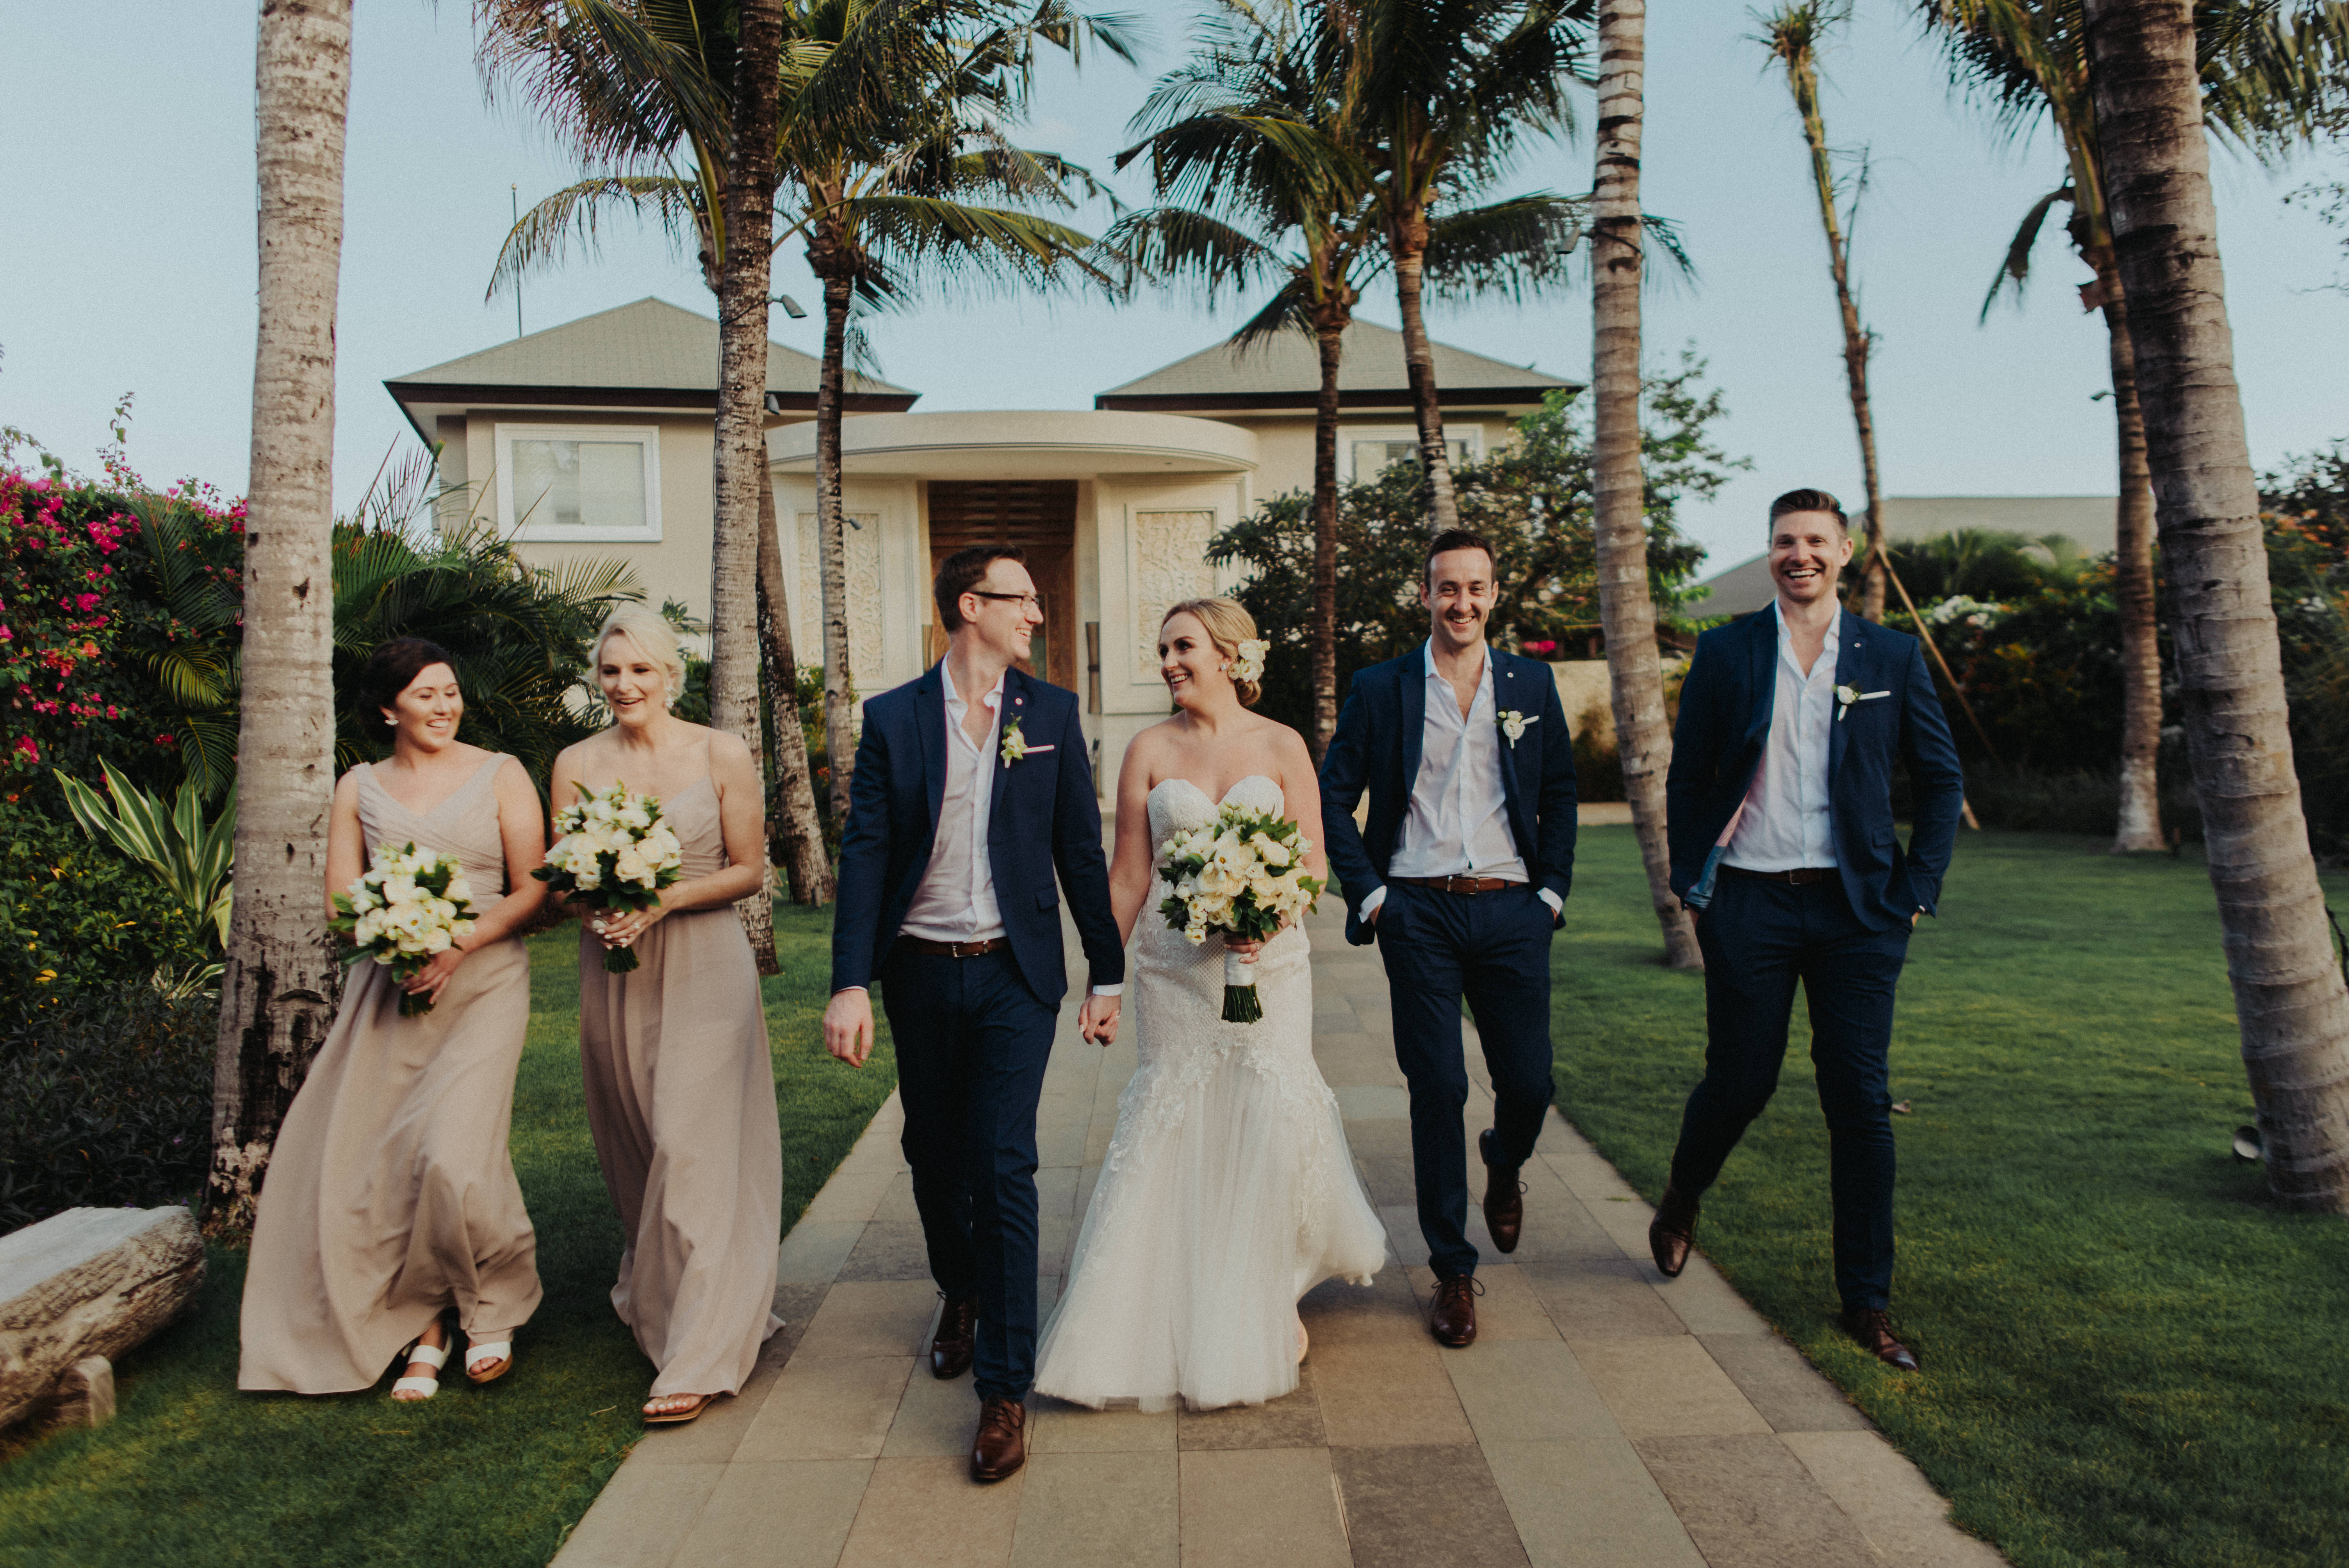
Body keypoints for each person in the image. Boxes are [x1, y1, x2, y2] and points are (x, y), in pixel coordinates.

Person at [1034, 599, 1385, 1411]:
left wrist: (1269, 915)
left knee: (1268, 1116)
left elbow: (1312, 862)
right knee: (1176, 1116)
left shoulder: (1282, 744)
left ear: (1229, 655)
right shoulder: (1148, 750)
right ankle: (1173, 1282)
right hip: (1175, 971)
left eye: (1182, 646)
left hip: (1271, 968)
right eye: (1162, 649)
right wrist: (1104, 980)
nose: (1167, 662)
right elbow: (1129, 874)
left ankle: (1271, 1285)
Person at [823, 544, 1124, 1483]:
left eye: (1034, 599)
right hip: (918, 970)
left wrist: (1106, 972)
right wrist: (848, 982)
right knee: (932, 1154)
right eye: (1019, 598)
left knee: (1002, 1166)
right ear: (969, 606)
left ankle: (1003, 1387)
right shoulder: (894, 718)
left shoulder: (1051, 713)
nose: (1035, 612)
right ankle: (958, 1287)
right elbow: (867, 851)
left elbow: (1079, 850)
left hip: (1012, 973)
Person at [1652, 488, 1964, 1372]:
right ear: (1770, 550)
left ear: (1844, 552)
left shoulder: (1890, 655)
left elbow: (1941, 779)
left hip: (1858, 911)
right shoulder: (1725, 652)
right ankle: (1683, 1195)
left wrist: (1916, 889)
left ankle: (1867, 1301)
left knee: (1858, 1098)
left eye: (1817, 541)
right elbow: (1687, 777)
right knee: (1741, 1080)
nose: (1801, 555)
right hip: (1748, 901)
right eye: (1786, 540)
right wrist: (1691, 884)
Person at [240, 638, 547, 1400]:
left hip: (484, 982)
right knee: (385, 1167)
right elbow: (341, 902)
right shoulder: (359, 786)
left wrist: (456, 943)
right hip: (391, 986)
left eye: (450, 692)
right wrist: (399, 942)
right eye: (425, 695)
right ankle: (427, 1322)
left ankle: (493, 1304)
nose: (444, 707)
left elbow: (534, 887)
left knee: (454, 1157)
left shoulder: (502, 773)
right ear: (388, 709)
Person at [1319, 529, 1578, 1349]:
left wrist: (1549, 893)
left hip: (1511, 910)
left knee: (1529, 1082)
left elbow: (1561, 791)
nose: (1460, 602)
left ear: (1493, 595)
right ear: (1424, 594)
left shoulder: (1531, 682)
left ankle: (1505, 1160)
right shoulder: (1382, 686)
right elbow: (1333, 796)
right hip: (1417, 912)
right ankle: (1453, 1269)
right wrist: (1371, 896)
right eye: (1447, 588)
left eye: (1475, 588)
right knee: (1437, 1085)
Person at [551, 606, 783, 1425]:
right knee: (637, 1142)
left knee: (692, 1144)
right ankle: (670, 1288)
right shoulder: (576, 762)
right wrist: (597, 903)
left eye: (641, 670)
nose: (625, 685)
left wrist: (663, 898)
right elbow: (562, 877)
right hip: (616, 967)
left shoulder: (720, 752)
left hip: (705, 963)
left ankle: (700, 1352)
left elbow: (749, 869)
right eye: (612, 671)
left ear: (670, 675)